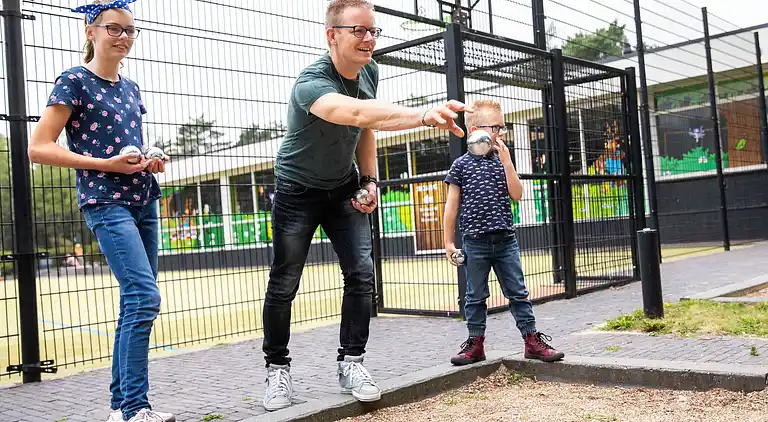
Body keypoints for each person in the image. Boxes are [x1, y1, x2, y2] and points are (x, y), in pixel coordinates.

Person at [260, 0, 473, 412]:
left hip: (343, 189)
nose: (369, 39)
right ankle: (277, 370)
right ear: (332, 35)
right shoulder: (311, 83)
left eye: (373, 30)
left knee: (361, 276)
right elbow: (352, 111)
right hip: (296, 190)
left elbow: (366, 126)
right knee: (285, 282)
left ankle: (352, 363)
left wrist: (369, 179)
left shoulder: (369, 70)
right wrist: (423, 115)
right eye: (358, 30)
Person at [28, 1, 174, 421]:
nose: (124, 37)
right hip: (105, 202)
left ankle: (122, 407)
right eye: (114, 28)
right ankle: (133, 409)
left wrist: (148, 160)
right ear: (91, 32)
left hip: (144, 199)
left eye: (130, 30)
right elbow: (39, 148)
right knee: (144, 296)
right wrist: (105, 165)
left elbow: (124, 147)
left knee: (136, 302)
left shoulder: (131, 88)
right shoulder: (73, 81)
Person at [442, 99, 565, 367]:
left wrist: (508, 162)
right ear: (476, 129)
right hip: (474, 243)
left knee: (518, 293)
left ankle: (532, 341)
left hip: (506, 241)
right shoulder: (461, 165)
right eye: (496, 127)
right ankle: (475, 344)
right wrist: (449, 242)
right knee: (475, 296)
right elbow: (451, 207)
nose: (500, 133)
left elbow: (517, 195)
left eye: (502, 127)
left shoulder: (502, 160)